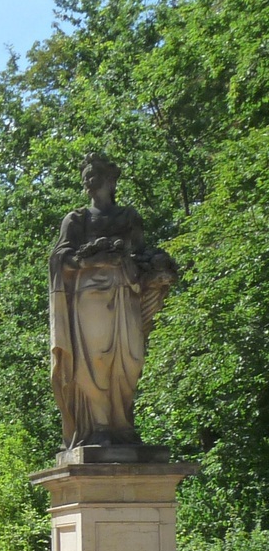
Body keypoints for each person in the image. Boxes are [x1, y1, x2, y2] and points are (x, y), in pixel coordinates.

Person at [49, 154, 176, 449]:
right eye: (85, 176)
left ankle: (122, 424)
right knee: (94, 360)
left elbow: (141, 255)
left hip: (126, 292)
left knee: (131, 360)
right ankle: (101, 426)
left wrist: (158, 266)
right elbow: (59, 258)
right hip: (90, 294)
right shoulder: (77, 219)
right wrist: (87, 259)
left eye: (93, 175)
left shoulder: (128, 217)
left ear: (110, 181)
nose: (87, 181)